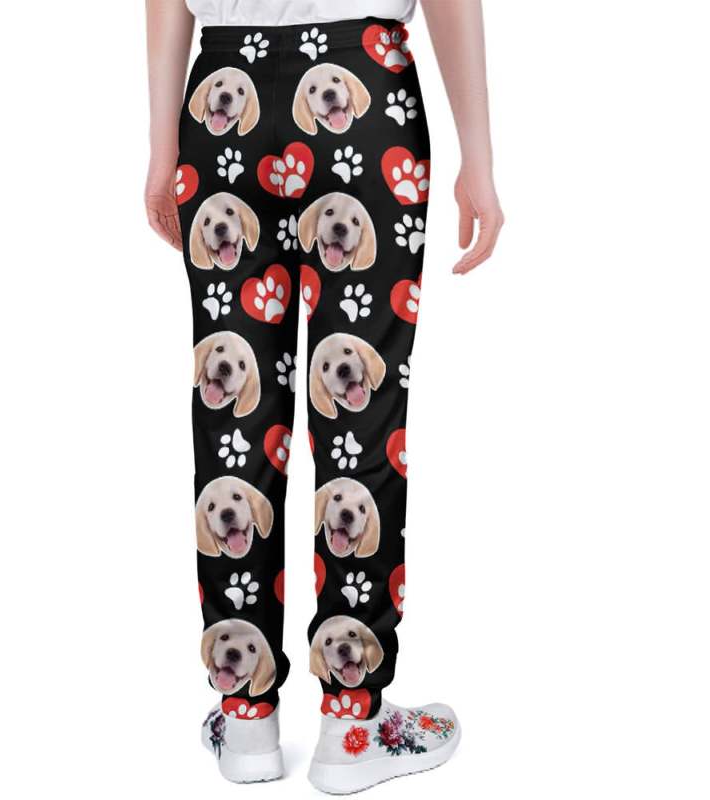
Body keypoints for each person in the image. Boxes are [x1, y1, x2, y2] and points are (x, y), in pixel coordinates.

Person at [144, 0, 503, 792]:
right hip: (363, 96)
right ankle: (352, 722)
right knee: (361, 415)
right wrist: (477, 154)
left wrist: (163, 143)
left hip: (222, 100)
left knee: (232, 409)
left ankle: (246, 717)